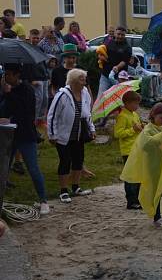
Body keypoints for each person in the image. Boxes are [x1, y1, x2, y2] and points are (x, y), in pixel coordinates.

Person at [120, 103, 162, 229]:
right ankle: (157, 218)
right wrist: (159, 138)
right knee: (157, 192)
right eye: (161, 118)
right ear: (153, 115)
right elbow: (145, 145)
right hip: (154, 167)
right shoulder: (148, 130)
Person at [0, 64, 49, 214]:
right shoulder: (7, 90)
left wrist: (8, 93)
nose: (5, 77)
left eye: (8, 74)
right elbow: (5, 109)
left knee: (33, 168)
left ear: (16, 76)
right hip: (8, 134)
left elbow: (24, 112)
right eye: (5, 74)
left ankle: (43, 201)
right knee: (4, 167)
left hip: (25, 134)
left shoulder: (27, 90)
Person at [47, 68, 95, 203]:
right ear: (73, 80)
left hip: (79, 134)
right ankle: (63, 191)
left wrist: (92, 128)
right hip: (63, 135)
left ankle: (75, 187)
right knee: (65, 161)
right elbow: (52, 115)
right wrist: (52, 134)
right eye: (81, 79)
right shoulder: (61, 95)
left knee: (78, 160)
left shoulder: (85, 93)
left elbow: (87, 113)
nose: (84, 81)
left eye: (84, 78)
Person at [113, 90, 143, 210]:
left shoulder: (135, 115)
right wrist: (132, 130)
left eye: (138, 104)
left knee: (139, 175)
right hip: (128, 151)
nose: (137, 106)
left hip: (138, 149)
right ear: (127, 103)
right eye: (135, 104)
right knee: (130, 177)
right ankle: (131, 201)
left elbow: (137, 127)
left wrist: (141, 127)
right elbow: (118, 133)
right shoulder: (122, 116)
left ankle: (139, 198)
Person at [99, 27, 131, 100]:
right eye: (118, 34)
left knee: (117, 99)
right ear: (115, 34)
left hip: (119, 78)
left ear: (124, 35)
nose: (120, 36)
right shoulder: (109, 42)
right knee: (101, 97)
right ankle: (98, 111)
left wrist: (117, 67)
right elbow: (101, 52)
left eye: (122, 35)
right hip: (105, 74)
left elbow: (125, 61)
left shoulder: (127, 47)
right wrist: (100, 56)